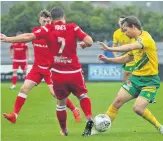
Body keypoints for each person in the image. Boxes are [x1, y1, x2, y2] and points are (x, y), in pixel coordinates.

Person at [1, 6, 94, 136]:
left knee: (58, 97)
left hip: (52, 69)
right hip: (45, 68)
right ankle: (14, 114)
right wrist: (85, 44)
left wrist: (7, 38)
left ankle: (70, 116)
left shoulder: (48, 31)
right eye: (43, 21)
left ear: (51, 19)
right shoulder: (69, 27)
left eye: (47, 20)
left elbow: (28, 37)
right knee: (24, 89)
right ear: (40, 20)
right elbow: (88, 40)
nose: (45, 23)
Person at [97, 16, 163, 135]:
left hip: (150, 81)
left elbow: (130, 47)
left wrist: (109, 48)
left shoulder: (146, 38)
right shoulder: (135, 42)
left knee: (138, 109)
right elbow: (126, 57)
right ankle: (100, 128)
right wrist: (108, 59)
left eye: (125, 30)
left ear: (133, 27)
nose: (124, 33)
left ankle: (159, 126)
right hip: (135, 79)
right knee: (118, 100)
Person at [112, 16, 135, 81]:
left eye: (123, 22)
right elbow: (114, 46)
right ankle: (128, 89)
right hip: (125, 56)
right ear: (118, 23)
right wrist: (116, 56)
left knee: (127, 74)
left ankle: (127, 89)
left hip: (134, 55)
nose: (121, 23)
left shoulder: (131, 31)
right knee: (126, 76)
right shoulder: (116, 33)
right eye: (120, 22)